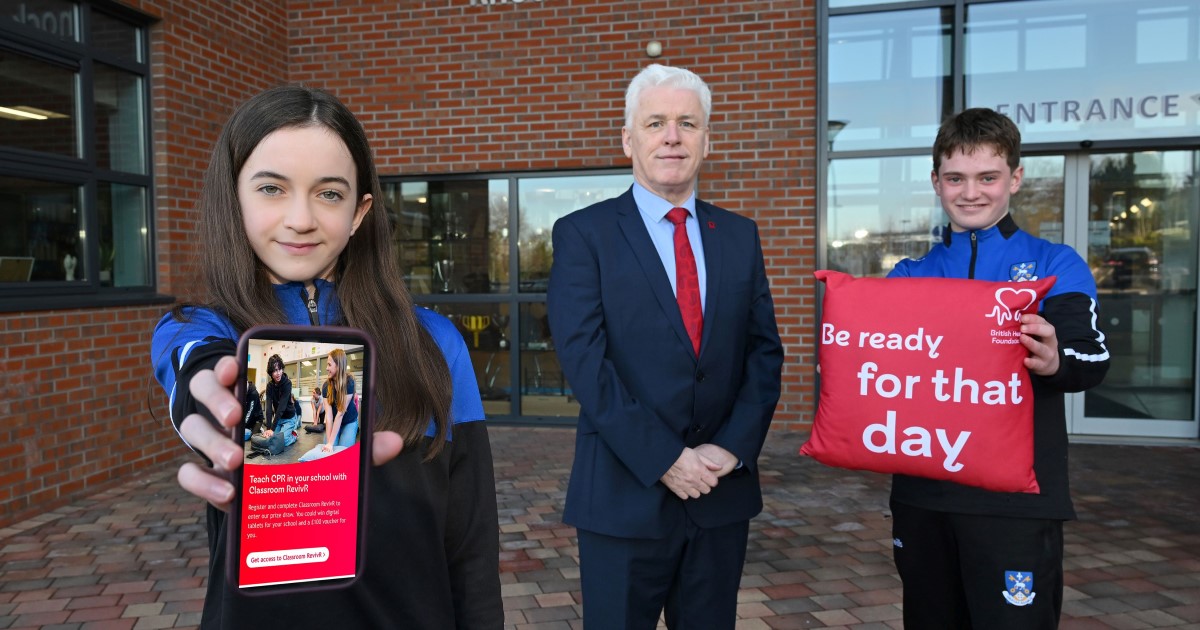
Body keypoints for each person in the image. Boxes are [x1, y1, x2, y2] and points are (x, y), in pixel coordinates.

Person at [150, 85, 501, 628]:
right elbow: (192, 363)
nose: (300, 218)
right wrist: (212, 396)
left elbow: (471, 542)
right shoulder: (204, 328)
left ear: (360, 212)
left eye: (329, 194)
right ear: (234, 197)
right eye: (271, 188)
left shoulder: (434, 341)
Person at [546, 64, 784, 629]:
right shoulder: (583, 235)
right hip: (624, 496)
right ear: (629, 139)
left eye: (687, 123)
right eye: (656, 123)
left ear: (707, 138)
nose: (672, 136)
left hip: (720, 494)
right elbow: (585, 362)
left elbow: (764, 352)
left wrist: (731, 448)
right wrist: (667, 460)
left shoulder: (740, 235)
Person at [886, 107, 1110, 629]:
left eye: (988, 177)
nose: (971, 192)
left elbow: (1091, 358)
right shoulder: (907, 275)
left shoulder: (1057, 264)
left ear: (1015, 178)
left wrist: (1056, 360)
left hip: (1017, 502)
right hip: (923, 497)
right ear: (936, 181)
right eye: (956, 178)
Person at [298, 348, 358, 461]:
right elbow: (329, 416)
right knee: (327, 450)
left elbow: (340, 414)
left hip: (349, 421)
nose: (326, 368)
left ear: (338, 366)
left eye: (329, 365)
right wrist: (329, 443)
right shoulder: (326, 386)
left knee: (343, 452)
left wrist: (330, 443)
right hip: (334, 421)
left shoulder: (349, 382)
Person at [250, 354, 298, 455]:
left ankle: (294, 435)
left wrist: (272, 429)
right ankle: (281, 431)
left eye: (280, 369)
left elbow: (281, 407)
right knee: (271, 439)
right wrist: (268, 429)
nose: (278, 373)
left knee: (282, 441)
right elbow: (268, 407)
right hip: (279, 419)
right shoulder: (269, 386)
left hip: (289, 417)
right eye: (275, 370)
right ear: (271, 373)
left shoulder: (287, 384)